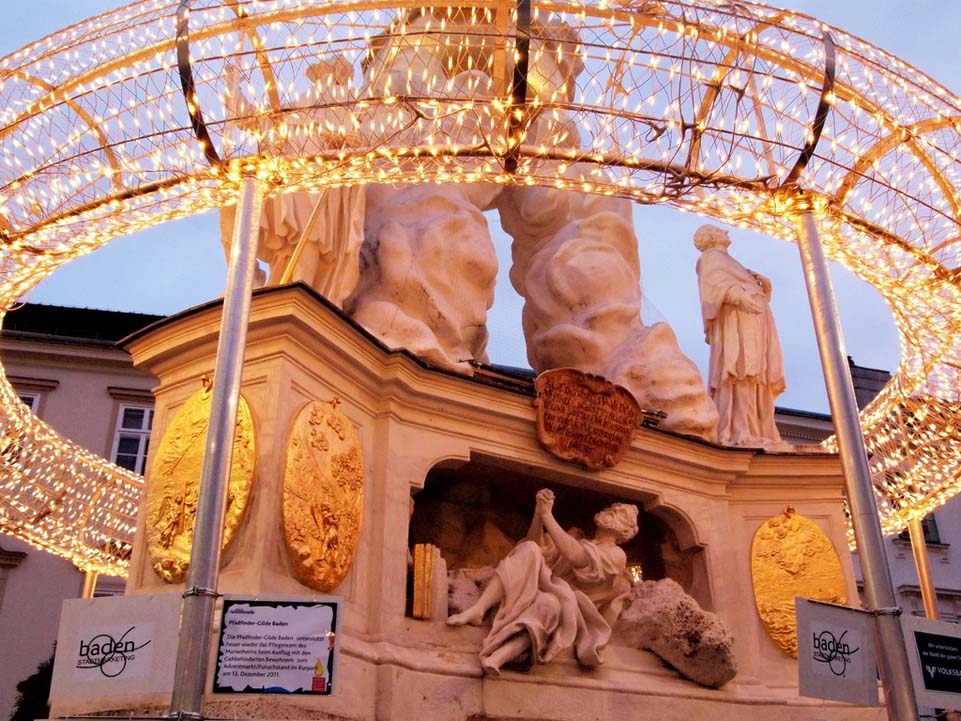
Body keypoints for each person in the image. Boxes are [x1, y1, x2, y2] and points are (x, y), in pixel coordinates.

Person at [447, 489, 638, 674]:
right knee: (530, 548)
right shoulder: (578, 540)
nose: (609, 511)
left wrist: (548, 516)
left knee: (549, 604)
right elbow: (535, 545)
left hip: (571, 607)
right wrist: (539, 514)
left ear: (625, 531)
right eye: (610, 509)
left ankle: (501, 655)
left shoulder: (616, 555)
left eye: (617, 513)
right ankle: (478, 609)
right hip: (547, 587)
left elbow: (578, 557)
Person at [694, 224, 787, 448]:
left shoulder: (730, 261)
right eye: (719, 230)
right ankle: (740, 430)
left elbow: (736, 286)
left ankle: (760, 429)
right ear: (710, 237)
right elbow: (714, 285)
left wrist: (765, 290)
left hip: (754, 318)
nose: (726, 232)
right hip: (737, 319)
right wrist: (738, 296)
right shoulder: (711, 257)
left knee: (758, 372)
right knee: (742, 368)